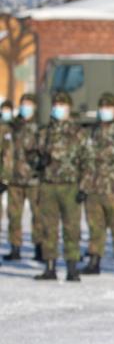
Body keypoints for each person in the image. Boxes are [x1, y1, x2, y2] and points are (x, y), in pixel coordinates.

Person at [33, 92, 87, 281]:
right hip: (48, 185)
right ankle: (50, 266)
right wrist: (38, 161)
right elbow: (33, 154)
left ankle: (72, 267)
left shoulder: (78, 132)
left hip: (70, 185)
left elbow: (86, 161)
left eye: (62, 104)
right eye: (56, 104)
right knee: (48, 227)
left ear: (69, 107)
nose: (58, 107)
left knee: (71, 228)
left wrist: (84, 187)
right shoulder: (45, 131)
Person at [80, 93, 114, 276]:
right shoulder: (92, 132)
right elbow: (87, 161)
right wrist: (84, 187)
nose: (105, 111)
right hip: (94, 188)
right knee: (95, 227)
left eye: (108, 107)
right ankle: (94, 262)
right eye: (102, 107)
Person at [4, 94, 41, 261]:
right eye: (23, 104)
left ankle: (39, 248)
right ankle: (15, 248)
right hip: (14, 179)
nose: (26, 107)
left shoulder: (39, 127)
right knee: (14, 215)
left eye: (29, 104)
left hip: (33, 179)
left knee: (38, 215)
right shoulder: (13, 126)